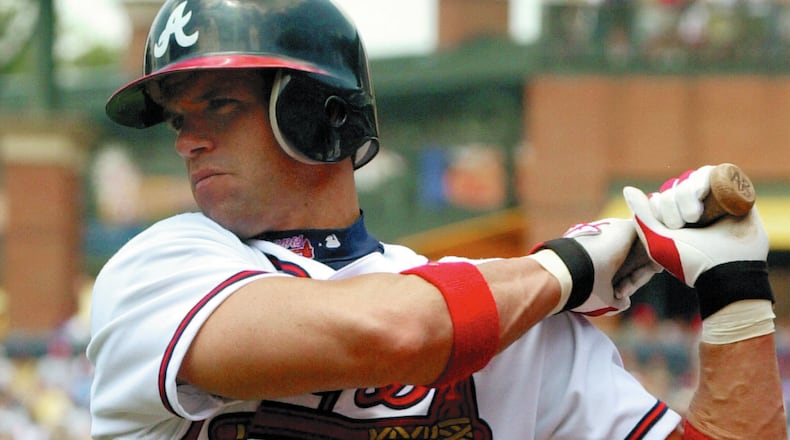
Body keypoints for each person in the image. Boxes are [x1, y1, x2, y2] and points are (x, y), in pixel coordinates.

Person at [87, 0, 786, 438]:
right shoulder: (163, 268)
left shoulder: (512, 316)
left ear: (311, 111)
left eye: (218, 105)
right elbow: (395, 330)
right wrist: (564, 270)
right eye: (180, 118)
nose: (186, 140)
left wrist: (736, 293)